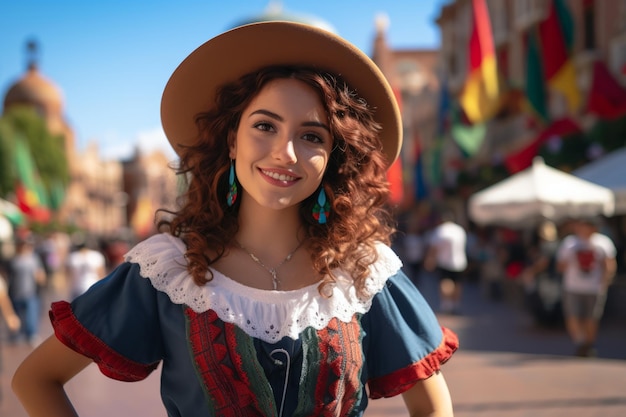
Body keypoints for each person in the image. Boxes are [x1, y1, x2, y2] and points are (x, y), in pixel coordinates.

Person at [12, 21, 458, 416]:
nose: (286, 153)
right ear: (231, 140)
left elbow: (433, 406)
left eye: (311, 136)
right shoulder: (168, 270)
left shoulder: (365, 271)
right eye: (265, 126)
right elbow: (35, 379)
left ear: (333, 159)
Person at [556, 217, 616, 357]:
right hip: (572, 287)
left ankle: (588, 345)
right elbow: (560, 267)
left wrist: (605, 281)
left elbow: (609, 264)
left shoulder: (603, 243)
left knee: (591, 319)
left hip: (594, 288)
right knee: (572, 317)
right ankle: (581, 342)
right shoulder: (570, 243)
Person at [424, 210, 467, 314]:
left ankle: (446, 304)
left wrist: (429, 260)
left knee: (445, 282)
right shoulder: (460, 230)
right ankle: (455, 304)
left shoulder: (440, 231)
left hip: (445, 262)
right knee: (457, 283)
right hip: (460, 261)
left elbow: (433, 248)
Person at [6, 235, 46, 347]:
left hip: (31, 292)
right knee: (17, 314)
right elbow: (8, 276)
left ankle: (31, 335)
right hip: (15, 292)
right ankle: (15, 335)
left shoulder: (33, 259)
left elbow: (40, 275)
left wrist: (41, 279)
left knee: (30, 316)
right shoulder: (13, 260)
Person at [65, 235, 106, 300]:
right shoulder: (96, 256)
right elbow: (101, 274)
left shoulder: (72, 257)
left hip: (77, 288)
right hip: (93, 287)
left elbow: (68, 275)